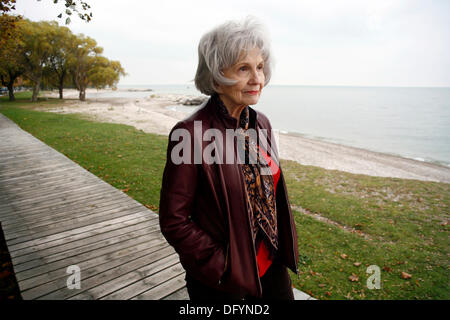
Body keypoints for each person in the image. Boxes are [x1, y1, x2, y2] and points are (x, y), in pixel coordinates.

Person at [159, 16, 299, 300]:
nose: (257, 79)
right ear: (216, 78)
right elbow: (174, 220)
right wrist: (222, 267)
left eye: (260, 67)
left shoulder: (262, 124)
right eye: (243, 68)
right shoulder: (190, 133)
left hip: (272, 267)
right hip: (224, 281)